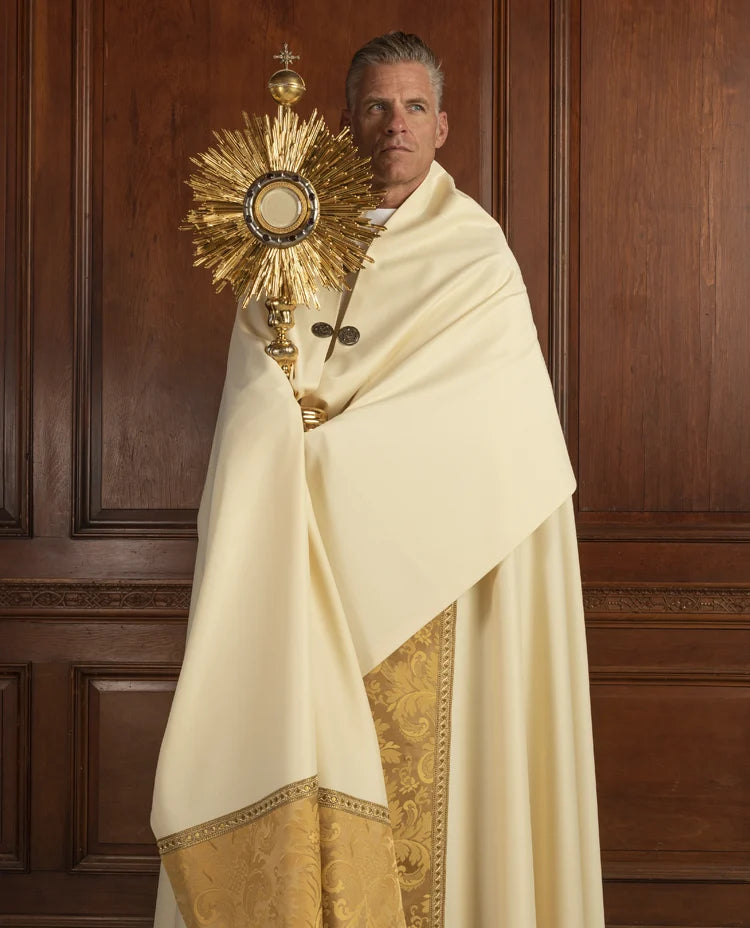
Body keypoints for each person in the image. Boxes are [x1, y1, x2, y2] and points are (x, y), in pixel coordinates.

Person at [151, 32, 605, 928]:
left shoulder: (479, 259)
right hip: (300, 566)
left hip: (431, 582)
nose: (393, 126)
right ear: (346, 121)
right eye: (374, 107)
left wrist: (322, 457)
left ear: (443, 127)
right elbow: (253, 389)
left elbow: (489, 429)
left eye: (413, 108)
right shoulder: (285, 238)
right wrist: (280, 437)